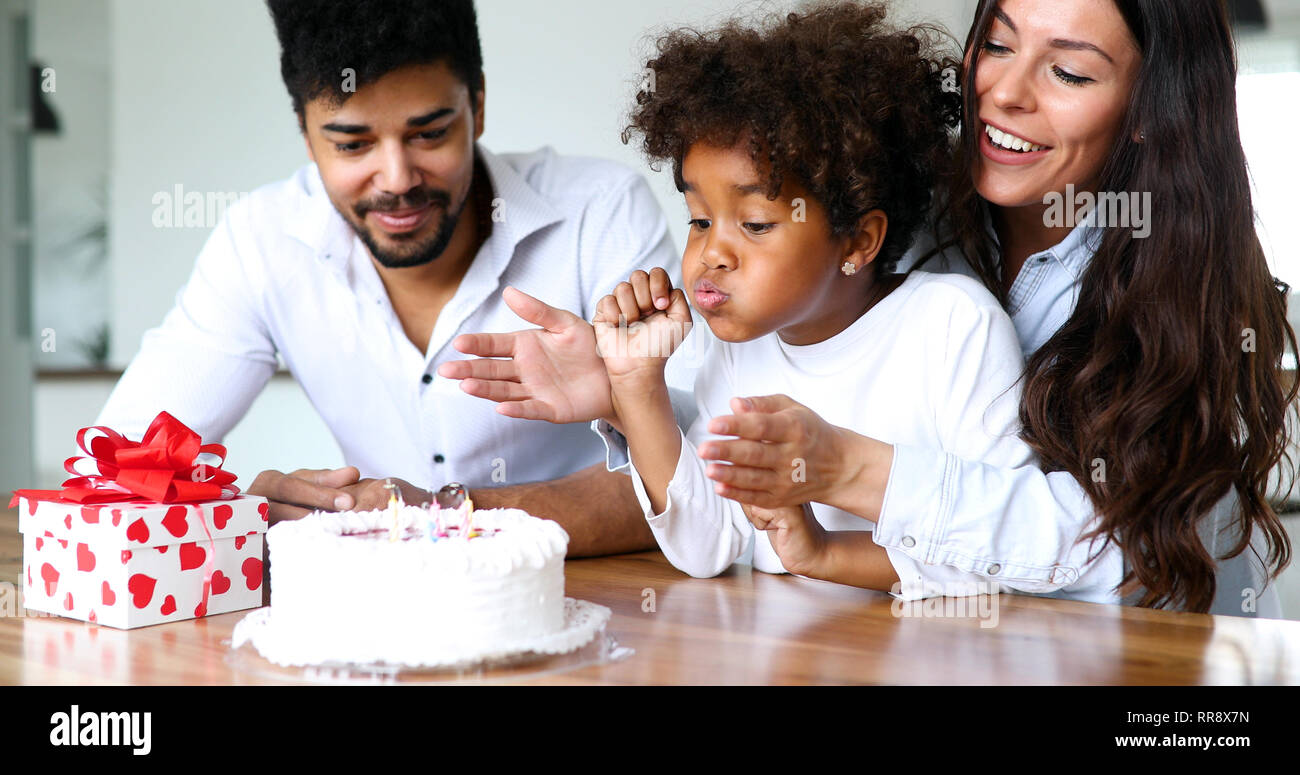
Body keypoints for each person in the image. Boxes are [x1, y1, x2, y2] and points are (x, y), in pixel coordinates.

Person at [448, 0, 1296, 617]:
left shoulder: (1184, 294)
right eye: (996, 44)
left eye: (1069, 70)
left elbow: (1111, 555)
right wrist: (631, 393)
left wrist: (846, 471)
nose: (1003, 92)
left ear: (1151, 113)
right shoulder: (901, 228)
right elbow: (745, 486)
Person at [92, 0, 684, 556]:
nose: (397, 179)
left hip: (600, 607)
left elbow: (694, 475)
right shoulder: (259, 241)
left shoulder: (599, 213)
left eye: (429, 134)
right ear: (305, 134)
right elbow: (114, 466)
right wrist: (241, 511)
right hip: (374, 624)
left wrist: (442, 514)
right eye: (353, 145)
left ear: (477, 106)